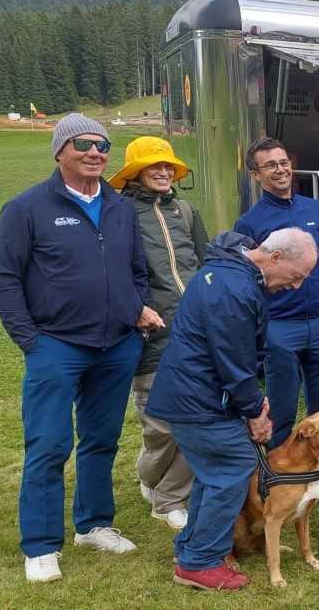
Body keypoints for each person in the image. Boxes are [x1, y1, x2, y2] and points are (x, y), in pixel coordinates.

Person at [0, 114, 157, 583]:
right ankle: (41, 545)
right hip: (56, 347)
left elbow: (137, 270)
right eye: (83, 143)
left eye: (103, 145)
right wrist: (31, 340)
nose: (95, 152)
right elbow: (2, 283)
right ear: (60, 151)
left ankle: (94, 524)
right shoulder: (26, 209)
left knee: (101, 440)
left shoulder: (121, 208)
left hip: (116, 346)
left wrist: (133, 310)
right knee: (48, 443)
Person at [146, 228, 316, 591]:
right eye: (297, 276)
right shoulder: (234, 290)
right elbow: (233, 361)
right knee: (233, 467)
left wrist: (254, 400)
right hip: (197, 400)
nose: (297, 286)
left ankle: (192, 548)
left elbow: (236, 358)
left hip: (191, 395)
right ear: (275, 258)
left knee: (215, 471)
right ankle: (199, 562)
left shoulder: (230, 273)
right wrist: (255, 411)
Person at [233, 138, 319, 499]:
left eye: (284, 162)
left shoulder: (315, 208)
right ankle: (280, 474)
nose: (281, 170)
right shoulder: (251, 222)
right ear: (256, 174)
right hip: (280, 326)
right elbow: (248, 278)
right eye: (271, 166)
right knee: (282, 406)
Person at [108, 136, 208, 531]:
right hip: (150, 335)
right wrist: (135, 310)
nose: (165, 172)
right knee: (161, 425)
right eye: (155, 167)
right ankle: (150, 474)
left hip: (195, 332)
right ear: (136, 173)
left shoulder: (185, 209)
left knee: (198, 416)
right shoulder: (118, 214)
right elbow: (109, 272)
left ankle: (168, 500)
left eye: (168, 166)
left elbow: (205, 261)